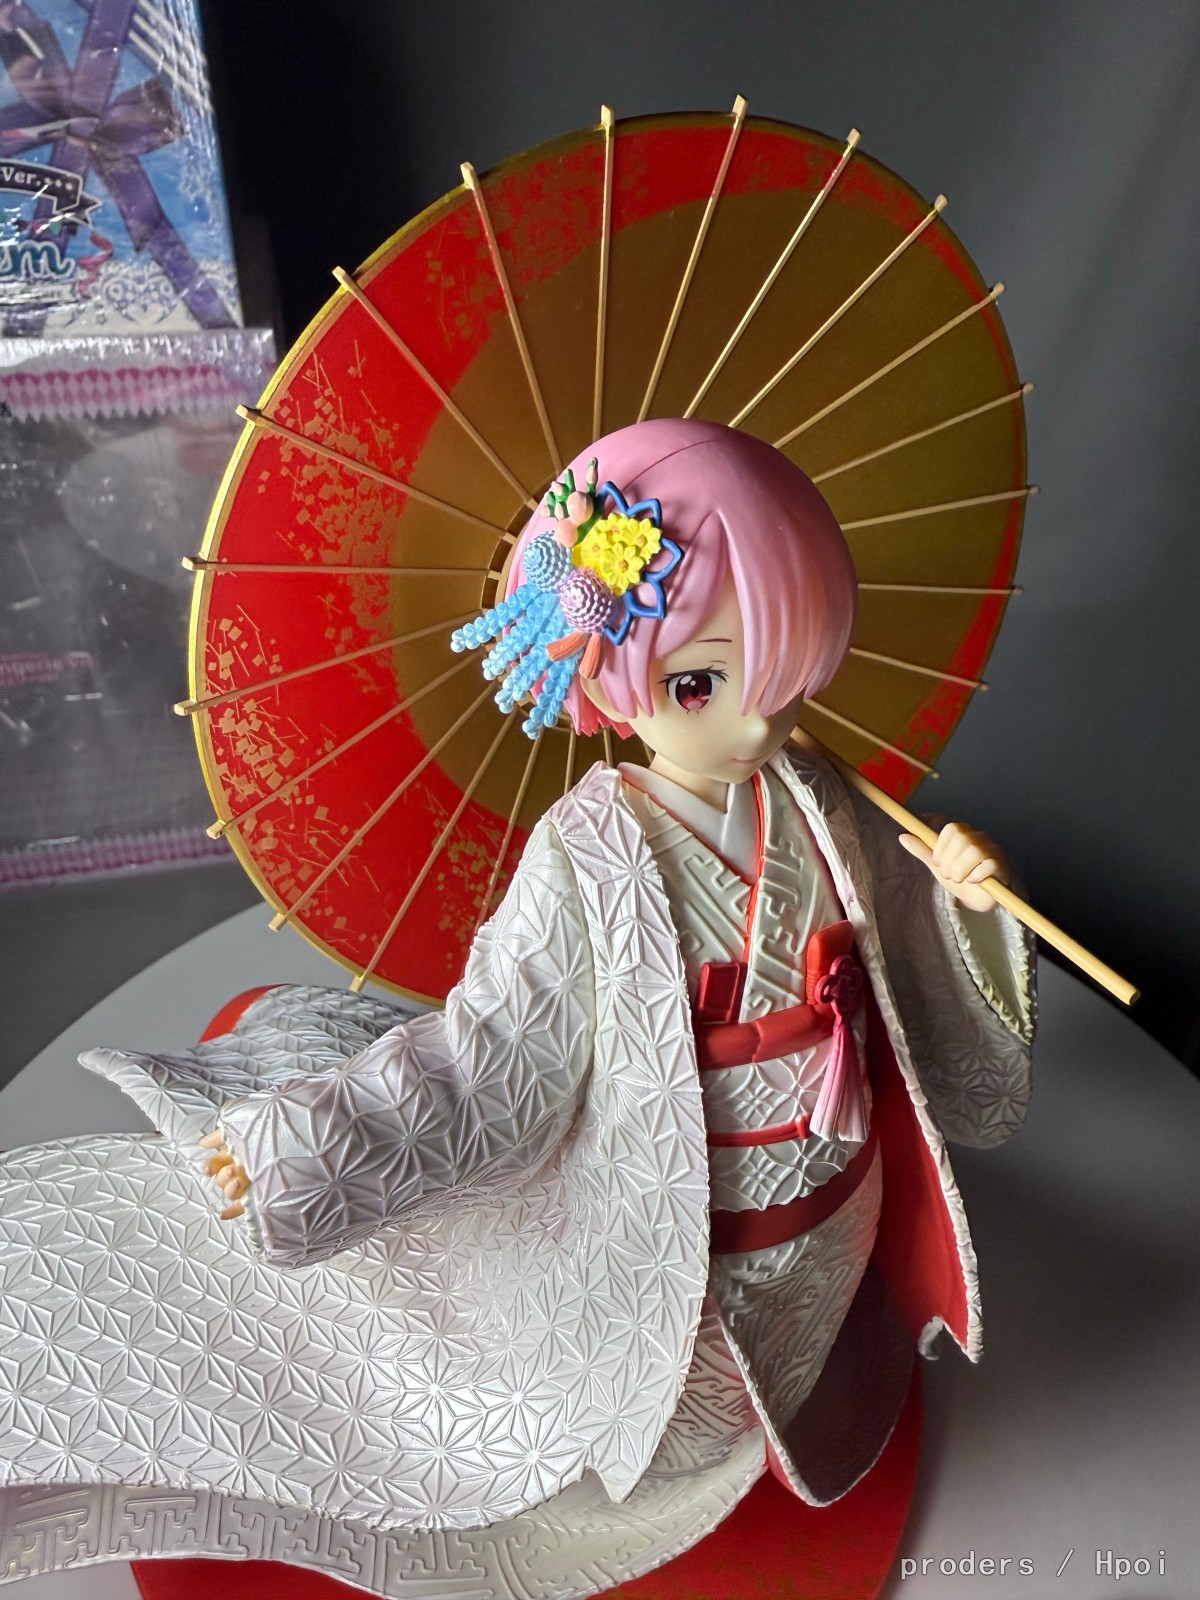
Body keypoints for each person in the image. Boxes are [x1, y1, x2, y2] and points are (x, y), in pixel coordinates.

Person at [0, 419, 1034, 1600]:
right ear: (605, 671)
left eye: (784, 679)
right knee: (542, 1463)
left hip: (828, 1233)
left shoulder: (820, 800)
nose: (752, 724)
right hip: (675, 1254)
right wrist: (314, 1146)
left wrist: (963, 903)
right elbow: (487, 1063)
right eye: (700, 683)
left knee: (795, 1408)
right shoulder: (588, 858)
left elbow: (906, 973)